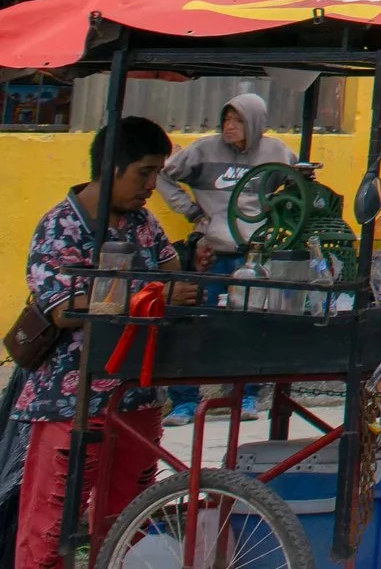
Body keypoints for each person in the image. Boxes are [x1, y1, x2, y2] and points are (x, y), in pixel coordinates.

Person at [19, 119, 195, 569]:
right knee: (51, 527)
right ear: (112, 168)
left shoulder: (144, 223)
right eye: (144, 172)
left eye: (158, 173)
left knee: (128, 523)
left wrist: (184, 271)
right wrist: (148, 293)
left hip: (137, 394)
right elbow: (63, 308)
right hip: (70, 400)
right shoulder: (60, 228)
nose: (152, 185)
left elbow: (172, 270)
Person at [155, 91, 292, 424]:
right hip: (211, 255)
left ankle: (245, 397)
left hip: (255, 258)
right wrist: (190, 211)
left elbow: (299, 185)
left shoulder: (276, 153)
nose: (229, 126)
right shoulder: (203, 150)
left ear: (255, 123)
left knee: (250, 328)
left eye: (238, 120)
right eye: (226, 119)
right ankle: (185, 401)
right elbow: (162, 174)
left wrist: (276, 215)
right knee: (193, 328)